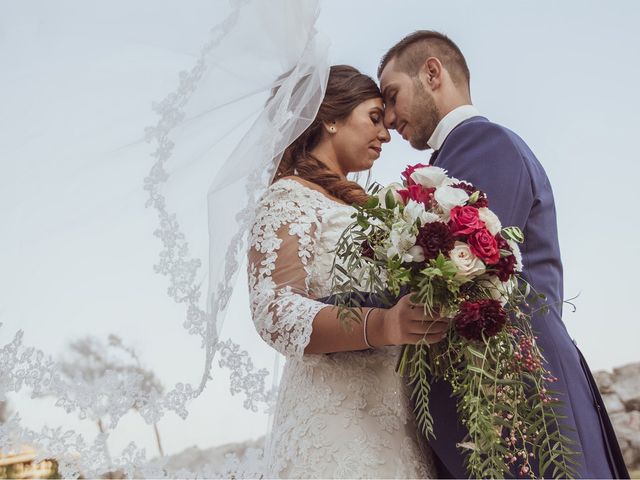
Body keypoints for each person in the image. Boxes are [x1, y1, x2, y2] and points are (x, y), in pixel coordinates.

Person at [377, 30, 629, 478]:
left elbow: (457, 273)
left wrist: (341, 316)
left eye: (393, 96)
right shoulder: (457, 155)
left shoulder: (483, 143)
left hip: (523, 398)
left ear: (432, 73)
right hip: (502, 394)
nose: (391, 118)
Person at [247, 65, 446, 478]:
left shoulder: (369, 207)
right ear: (330, 119)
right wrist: (383, 324)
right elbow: (275, 311)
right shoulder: (288, 196)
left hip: (399, 417)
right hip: (335, 428)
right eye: (374, 118)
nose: (386, 134)